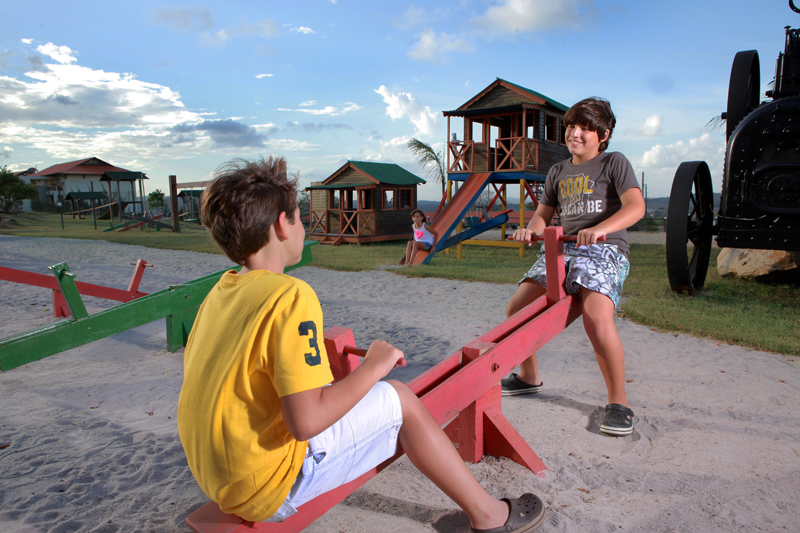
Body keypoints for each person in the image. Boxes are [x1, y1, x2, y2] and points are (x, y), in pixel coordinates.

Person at [177, 156, 546, 533]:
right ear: (280, 227)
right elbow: (305, 423)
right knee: (400, 399)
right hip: (269, 487)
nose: (303, 227)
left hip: (219, 477)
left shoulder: (219, 293)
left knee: (365, 397)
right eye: (299, 218)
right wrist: (376, 365)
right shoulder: (288, 295)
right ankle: (489, 516)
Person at [501, 97, 645, 437]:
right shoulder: (558, 171)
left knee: (596, 315)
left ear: (604, 134)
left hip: (604, 249)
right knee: (517, 308)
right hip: (563, 250)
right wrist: (530, 230)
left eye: (585, 128)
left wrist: (602, 228)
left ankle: (619, 403)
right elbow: (542, 216)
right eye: (571, 126)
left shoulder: (613, 163)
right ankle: (528, 376)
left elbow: (636, 206)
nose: (575, 133)